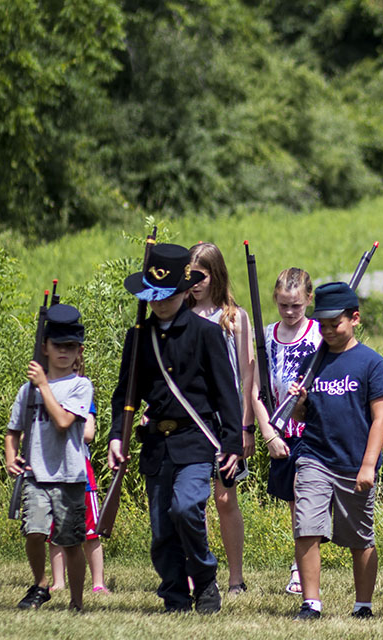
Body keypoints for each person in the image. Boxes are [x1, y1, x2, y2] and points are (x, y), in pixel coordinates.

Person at [108, 243, 243, 614]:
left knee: (185, 509)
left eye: (167, 295)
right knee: (161, 530)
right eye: (154, 296)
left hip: (196, 440)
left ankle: (203, 578)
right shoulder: (138, 337)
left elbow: (226, 396)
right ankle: (174, 594)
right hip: (156, 445)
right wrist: (117, 436)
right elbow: (125, 395)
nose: (159, 303)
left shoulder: (206, 334)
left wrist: (233, 443)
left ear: (185, 291)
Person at [287, 282, 383, 621]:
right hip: (314, 456)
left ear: (355, 319)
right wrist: (298, 403)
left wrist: (368, 465)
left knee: (359, 537)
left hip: (354, 463)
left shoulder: (371, 363)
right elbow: (302, 416)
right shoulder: (312, 359)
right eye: (323, 324)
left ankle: (363, 604)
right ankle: (311, 603)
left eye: (336, 323)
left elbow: (382, 416)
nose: (329, 331)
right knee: (306, 527)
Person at [5, 304, 94, 611]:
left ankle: (77, 601)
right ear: (45, 347)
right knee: (34, 531)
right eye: (58, 345)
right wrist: (10, 456)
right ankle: (41, 583)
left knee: (71, 543)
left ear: (78, 350)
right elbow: (12, 430)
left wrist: (43, 385)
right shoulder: (25, 391)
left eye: (71, 346)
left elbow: (64, 422)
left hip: (69, 476)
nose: (64, 352)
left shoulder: (81, 386)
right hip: (35, 474)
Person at [187, 241, 253, 594]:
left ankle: (235, 577)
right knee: (189, 499)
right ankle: (196, 571)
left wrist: (245, 426)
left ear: (216, 275)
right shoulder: (180, 315)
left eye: (201, 276)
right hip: (191, 419)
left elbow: (246, 376)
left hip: (224, 420)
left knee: (225, 498)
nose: (195, 283)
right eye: (189, 276)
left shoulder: (233, 317)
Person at [252, 267, 319, 595]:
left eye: (296, 305)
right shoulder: (266, 336)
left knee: (305, 495)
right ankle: (300, 563)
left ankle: (300, 569)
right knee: (295, 502)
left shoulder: (321, 335)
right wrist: (268, 433)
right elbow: (255, 391)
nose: (290, 312)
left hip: (313, 429)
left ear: (309, 299)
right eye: (283, 306)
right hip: (280, 431)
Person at [49, 400, 108, 595]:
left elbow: (88, 434)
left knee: (91, 532)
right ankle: (59, 582)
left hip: (81, 474)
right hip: (52, 471)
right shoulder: (45, 400)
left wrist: (61, 423)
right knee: (54, 533)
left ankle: (98, 583)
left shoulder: (82, 399)